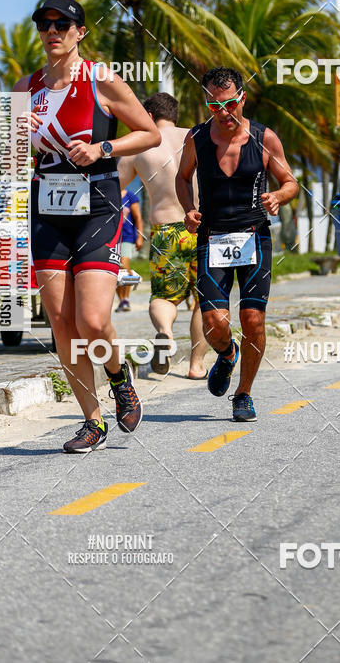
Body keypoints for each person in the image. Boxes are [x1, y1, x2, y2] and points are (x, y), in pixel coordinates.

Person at [14, 0, 161, 452]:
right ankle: (92, 421)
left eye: (62, 24)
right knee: (61, 323)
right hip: (46, 208)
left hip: (97, 204)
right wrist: (18, 134)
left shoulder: (101, 79)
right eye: (44, 24)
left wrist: (103, 149)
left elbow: (149, 133)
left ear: (80, 32)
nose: (52, 31)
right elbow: (13, 159)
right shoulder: (24, 88)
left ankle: (119, 379)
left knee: (93, 320)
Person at [176, 66, 298, 421]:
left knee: (253, 319)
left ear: (242, 98)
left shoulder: (264, 138)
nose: (223, 112)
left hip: (254, 236)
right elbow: (182, 178)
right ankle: (228, 354)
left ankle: (243, 394)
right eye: (215, 106)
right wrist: (188, 208)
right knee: (214, 321)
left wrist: (278, 196)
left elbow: (290, 181)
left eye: (229, 104)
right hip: (211, 236)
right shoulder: (197, 138)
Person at [118, 92, 209, 379]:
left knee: (163, 297)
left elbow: (114, 187)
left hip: (166, 231)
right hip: (203, 227)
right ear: (175, 114)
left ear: (148, 115)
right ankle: (196, 366)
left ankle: (165, 334)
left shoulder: (139, 144)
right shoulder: (199, 137)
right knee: (205, 300)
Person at [115, 187, 144, 312]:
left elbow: (138, 218)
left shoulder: (130, 196)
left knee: (124, 268)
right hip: (112, 238)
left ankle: (126, 298)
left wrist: (140, 236)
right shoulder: (109, 194)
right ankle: (121, 300)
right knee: (115, 270)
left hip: (127, 237)